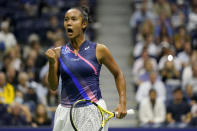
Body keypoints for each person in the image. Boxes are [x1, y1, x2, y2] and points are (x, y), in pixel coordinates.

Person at [45, 6, 127, 131]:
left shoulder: (99, 50)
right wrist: (51, 63)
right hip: (65, 111)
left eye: (73, 19)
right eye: (66, 19)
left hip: (92, 110)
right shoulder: (57, 53)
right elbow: (53, 86)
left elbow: (118, 74)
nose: (68, 23)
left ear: (84, 24)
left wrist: (122, 103)